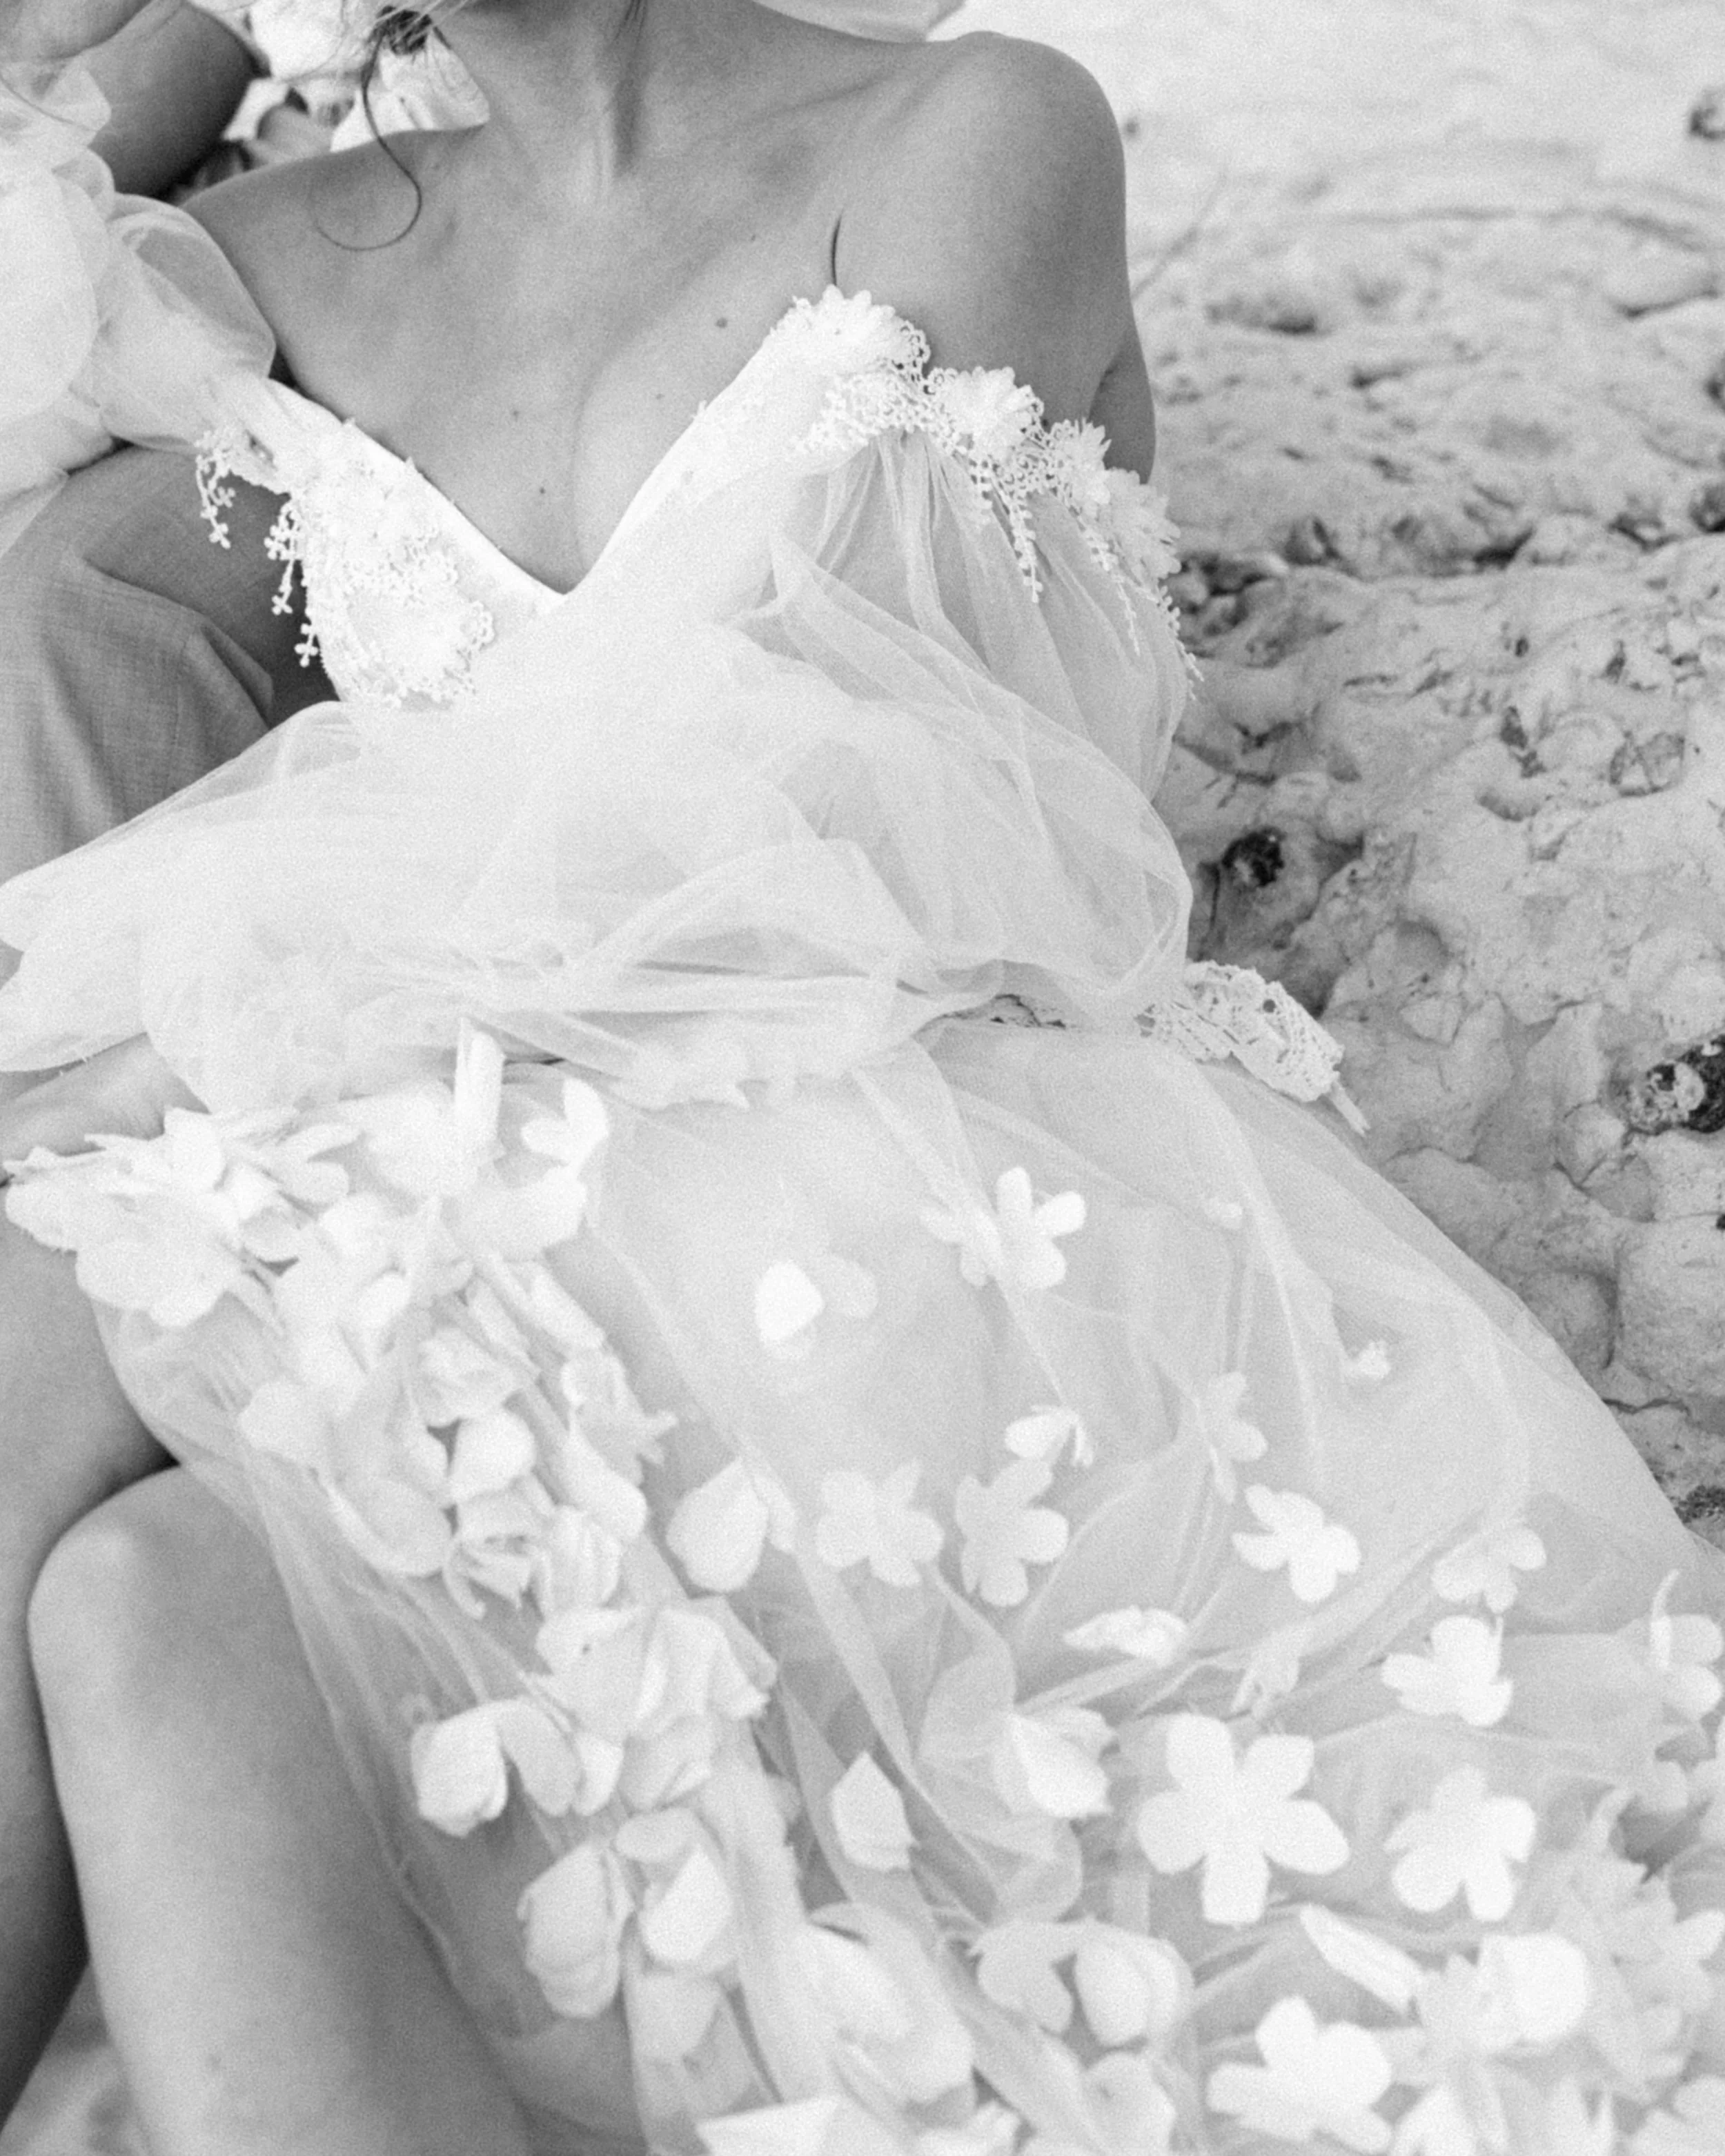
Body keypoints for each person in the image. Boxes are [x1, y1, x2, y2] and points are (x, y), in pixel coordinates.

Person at [0, 6, 1722, 2156]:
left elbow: (849, 807)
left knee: (46, 1284)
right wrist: (118, 64)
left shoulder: (973, 125)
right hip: (479, 1214)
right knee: (140, 1615)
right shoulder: (274, 263)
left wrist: (181, 1041)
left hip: (921, 1185)